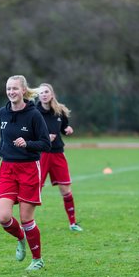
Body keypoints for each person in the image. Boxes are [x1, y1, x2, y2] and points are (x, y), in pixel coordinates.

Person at [0, 75, 51, 270]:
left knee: (26, 219)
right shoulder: (3, 113)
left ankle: (37, 259)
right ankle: (21, 238)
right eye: (8, 89)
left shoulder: (34, 115)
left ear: (23, 90)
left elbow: (45, 144)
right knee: (3, 217)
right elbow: (3, 139)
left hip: (29, 169)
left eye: (15, 88)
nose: (11, 92)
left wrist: (27, 144)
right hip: (7, 169)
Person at [36, 83, 83, 232]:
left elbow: (63, 128)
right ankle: (27, 224)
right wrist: (43, 138)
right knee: (35, 190)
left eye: (46, 92)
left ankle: (73, 223)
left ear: (51, 94)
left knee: (65, 189)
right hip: (41, 155)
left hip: (57, 153)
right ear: (38, 95)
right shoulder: (33, 112)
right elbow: (28, 133)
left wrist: (67, 129)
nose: (43, 94)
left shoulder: (59, 111)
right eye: (41, 92)